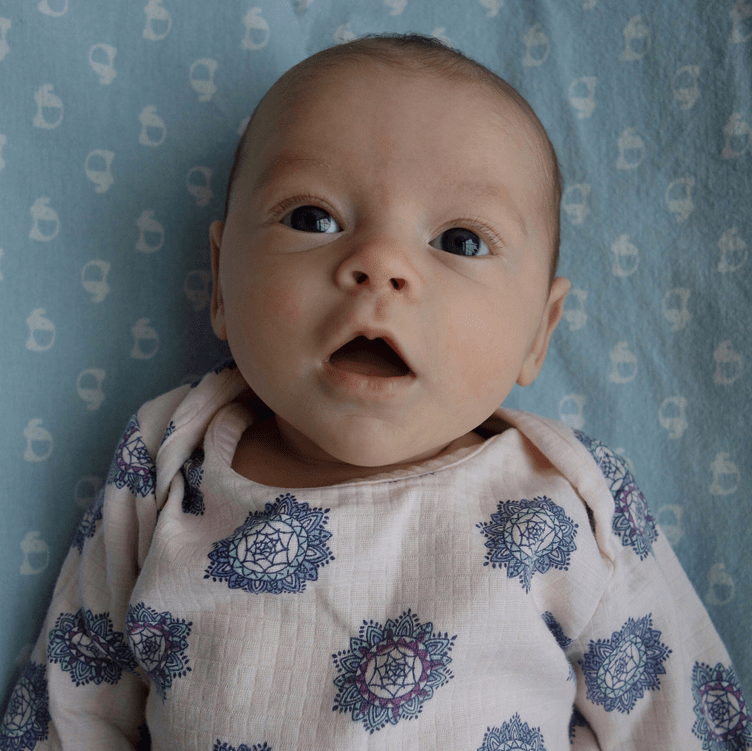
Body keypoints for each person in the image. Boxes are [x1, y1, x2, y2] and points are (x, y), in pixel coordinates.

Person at [2, 33, 748, 751]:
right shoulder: (167, 460)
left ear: (538, 332)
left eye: (460, 241)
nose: (381, 263)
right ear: (221, 281)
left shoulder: (570, 497)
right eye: (313, 218)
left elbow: (678, 722)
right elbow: (72, 708)